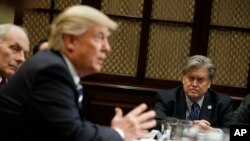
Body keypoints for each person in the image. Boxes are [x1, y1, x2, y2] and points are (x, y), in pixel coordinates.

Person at [0, 5, 156, 141]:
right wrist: (119, 133)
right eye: (99, 37)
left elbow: (72, 127)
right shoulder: (51, 70)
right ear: (70, 41)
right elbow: (74, 135)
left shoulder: (56, 66)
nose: (107, 48)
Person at [154, 55, 237, 132]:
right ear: (183, 79)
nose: (194, 84)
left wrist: (213, 132)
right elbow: (156, 124)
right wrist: (189, 127)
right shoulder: (166, 98)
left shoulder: (222, 102)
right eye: (191, 78)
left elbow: (235, 132)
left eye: (200, 80)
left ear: (209, 83)